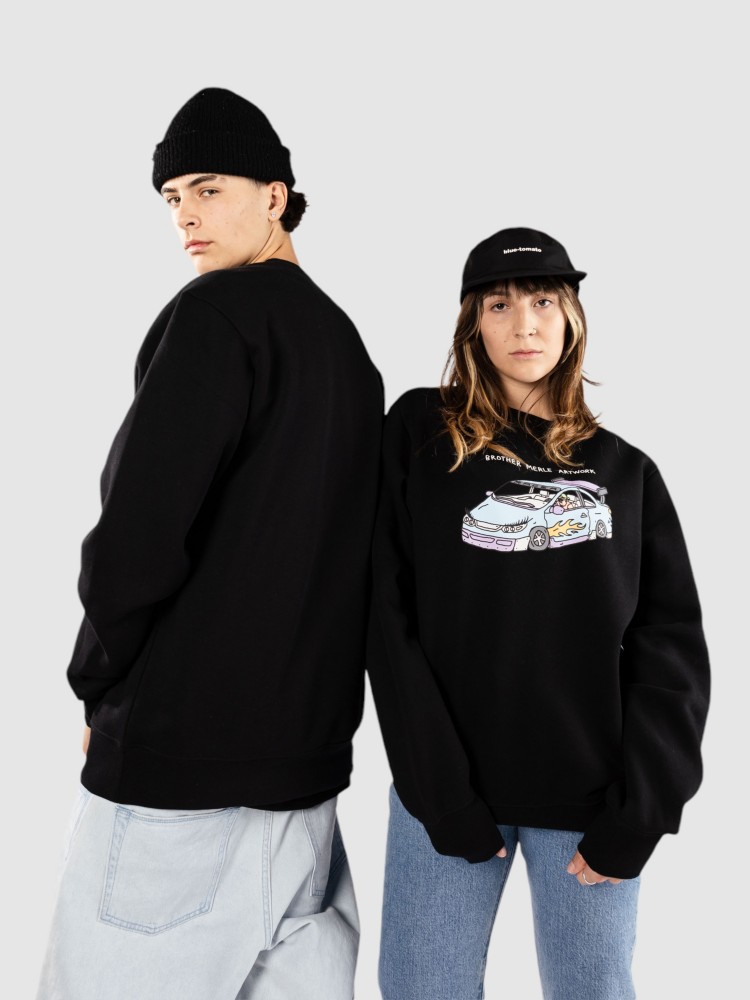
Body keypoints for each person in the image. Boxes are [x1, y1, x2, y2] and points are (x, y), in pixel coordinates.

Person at [37, 88, 383, 1000]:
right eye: (171, 197)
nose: (185, 215)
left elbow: (138, 532)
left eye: (208, 188)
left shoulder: (215, 317)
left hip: (178, 780)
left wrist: (96, 682)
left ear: (276, 195)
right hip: (305, 787)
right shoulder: (349, 352)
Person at [367, 227, 710, 999]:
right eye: (499, 305)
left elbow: (671, 650)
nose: (524, 324)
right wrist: (439, 794)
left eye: (544, 302)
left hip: (592, 802)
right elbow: (386, 617)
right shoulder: (422, 433)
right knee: (421, 988)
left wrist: (641, 814)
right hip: (446, 792)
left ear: (572, 318)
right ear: (473, 324)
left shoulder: (626, 473)